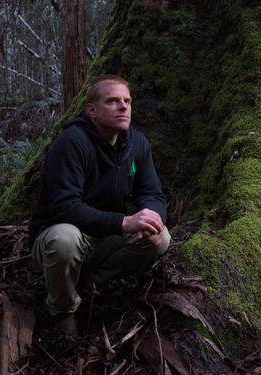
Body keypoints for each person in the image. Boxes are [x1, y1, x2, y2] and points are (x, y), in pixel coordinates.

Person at [29, 74, 170, 336]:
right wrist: (124, 222)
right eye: (113, 101)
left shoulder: (136, 144)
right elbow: (64, 207)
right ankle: (63, 311)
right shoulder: (71, 143)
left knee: (160, 238)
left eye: (127, 101)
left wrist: (153, 217)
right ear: (92, 110)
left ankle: (86, 283)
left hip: (104, 237)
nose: (123, 106)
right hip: (61, 237)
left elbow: (152, 193)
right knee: (64, 239)